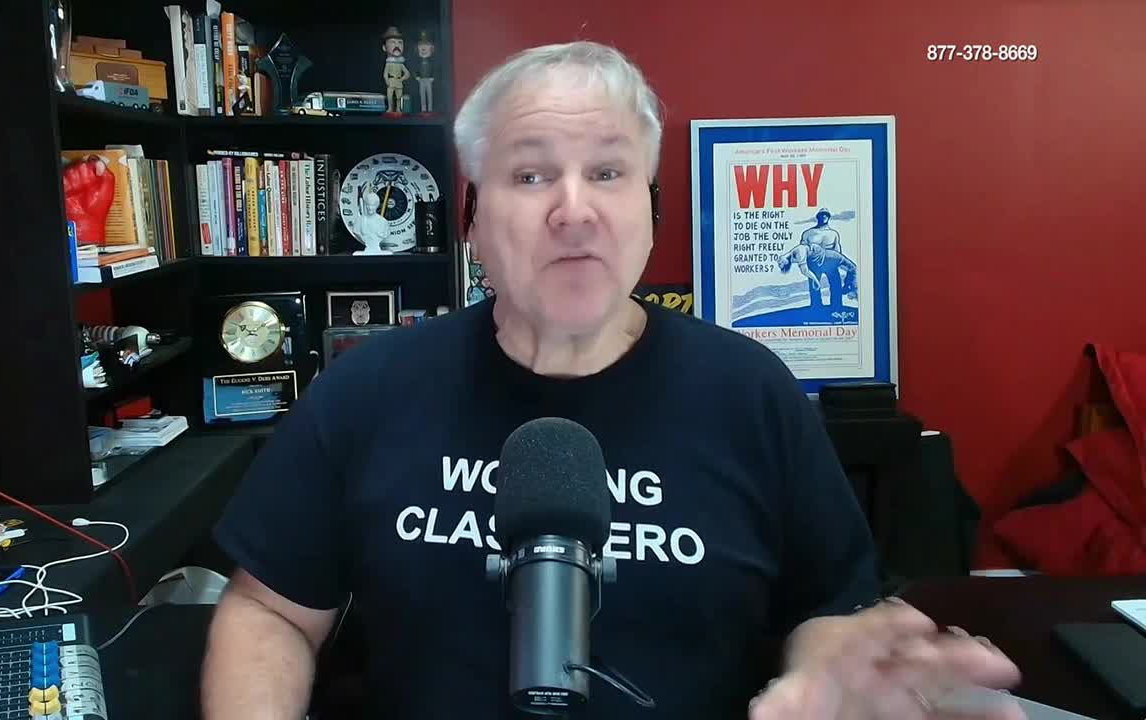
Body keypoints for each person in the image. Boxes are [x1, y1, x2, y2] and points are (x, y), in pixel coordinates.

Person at [201, 41, 1023, 719]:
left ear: (649, 208)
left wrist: (838, 671)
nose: (574, 208)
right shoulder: (369, 386)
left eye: (608, 172)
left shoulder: (750, 392)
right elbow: (268, 611)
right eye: (530, 176)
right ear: (473, 218)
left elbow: (827, 615)